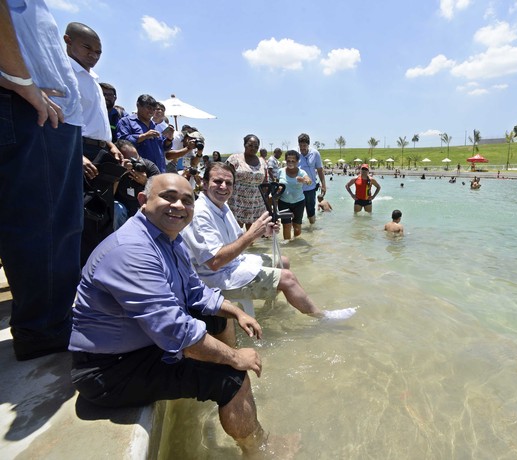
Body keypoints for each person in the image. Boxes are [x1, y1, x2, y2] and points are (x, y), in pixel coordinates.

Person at [68, 173, 297, 457]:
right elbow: (176, 332)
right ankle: (259, 448)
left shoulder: (168, 239)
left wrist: (237, 312)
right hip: (109, 371)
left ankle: (230, 398)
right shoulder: (132, 250)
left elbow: (196, 291)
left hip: (142, 343)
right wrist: (236, 359)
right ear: (143, 200)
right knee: (231, 379)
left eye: (187, 200)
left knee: (219, 318)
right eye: (168, 197)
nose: (179, 206)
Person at [1, 0, 84, 360]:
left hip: (38, 104)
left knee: (54, 223)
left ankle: (48, 321)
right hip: (31, 106)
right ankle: (45, 329)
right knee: (44, 223)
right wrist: (20, 80)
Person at [181, 163, 356, 321]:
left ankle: (268, 307)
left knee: (283, 261)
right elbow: (215, 262)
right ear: (204, 183)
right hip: (215, 278)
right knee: (287, 278)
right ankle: (321, 317)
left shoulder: (221, 205)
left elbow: (237, 241)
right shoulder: (201, 213)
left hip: (232, 264)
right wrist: (251, 234)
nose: (224, 187)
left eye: (229, 183)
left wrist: (262, 232)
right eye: (217, 181)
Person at [63, 21, 126, 265]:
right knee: (82, 218)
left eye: (98, 52)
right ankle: (78, 276)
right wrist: (76, 153)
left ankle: (97, 271)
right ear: (68, 41)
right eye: (87, 48)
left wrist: (110, 145)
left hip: (100, 154)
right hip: (77, 150)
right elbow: (61, 118)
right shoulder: (65, 73)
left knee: (102, 216)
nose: (93, 55)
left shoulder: (93, 80)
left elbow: (95, 121)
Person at [113, 139, 160, 226]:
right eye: (132, 161)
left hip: (143, 208)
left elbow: (160, 193)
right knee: (117, 208)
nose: (136, 163)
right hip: (124, 210)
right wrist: (119, 174)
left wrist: (146, 183)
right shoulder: (115, 168)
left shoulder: (149, 167)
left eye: (137, 159)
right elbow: (109, 195)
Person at [227, 134, 269, 230]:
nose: (253, 148)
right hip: (237, 202)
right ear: (244, 145)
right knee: (235, 233)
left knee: (253, 234)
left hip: (257, 203)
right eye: (250, 145)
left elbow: (265, 183)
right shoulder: (234, 159)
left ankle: (251, 246)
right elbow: (227, 179)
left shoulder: (262, 162)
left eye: (256, 146)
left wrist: (267, 199)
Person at [116, 94, 167, 173]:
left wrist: (169, 140)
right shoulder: (126, 122)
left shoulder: (156, 126)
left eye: (154, 109)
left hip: (159, 171)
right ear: (138, 105)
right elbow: (122, 144)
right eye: (149, 108)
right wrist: (144, 136)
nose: (151, 112)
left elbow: (164, 148)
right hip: (138, 171)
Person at [277, 150, 311, 240]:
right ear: (285, 161)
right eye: (288, 161)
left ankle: (296, 247)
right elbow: (276, 184)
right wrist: (277, 189)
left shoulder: (302, 172)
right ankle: (288, 249)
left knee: (297, 226)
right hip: (283, 202)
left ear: (297, 161)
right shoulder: (280, 171)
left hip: (299, 202)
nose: (290, 163)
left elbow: (309, 181)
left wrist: (304, 180)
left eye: (293, 161)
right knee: (286, 226)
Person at [297, 133, 327, 224]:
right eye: (300, 145)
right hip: (298, 189)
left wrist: (323, 185)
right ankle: (298, 232)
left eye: (304, 145)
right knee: (298, 212)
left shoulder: (315, 153)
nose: (302, 148)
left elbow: (320, 170)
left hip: (311, 188)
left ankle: (312, 232)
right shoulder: (295, 154)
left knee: (311, 211)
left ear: (308, 144)